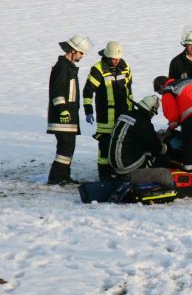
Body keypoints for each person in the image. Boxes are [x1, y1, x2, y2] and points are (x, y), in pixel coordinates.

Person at [82, 41, 133, 180]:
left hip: (123, 114)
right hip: (106, 116)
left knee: (122, 144)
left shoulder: (125, 67)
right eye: (113, 59)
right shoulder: (98, 69)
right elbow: (88, 91)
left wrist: (131, 110)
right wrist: (88, 110)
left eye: (117, 58)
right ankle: (104, 175)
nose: (116, 61)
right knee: (105, 145)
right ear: (107, 56)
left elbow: (129, 90)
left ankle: (118, 171)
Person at [47, 35, 91, 185]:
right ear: (73, 51)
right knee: (65, 148)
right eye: (81, 53)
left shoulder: (69, 67)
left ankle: (64, 176)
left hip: (69, 116)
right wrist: (62, 110)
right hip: (63, 117)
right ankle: (55, 178)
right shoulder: (63, 67)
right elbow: (57, 91)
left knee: (68, 148)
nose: (82, 56)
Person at [109, 95, 170, 177]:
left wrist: (153, 134)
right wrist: (165, 147)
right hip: (126, 165)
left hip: (113, 163)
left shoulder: (126, 114)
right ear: (151, 111)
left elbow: (135, 134)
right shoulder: (144, 124)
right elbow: (155, 148)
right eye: (153, 113)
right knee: (163, 159)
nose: (152, 115)